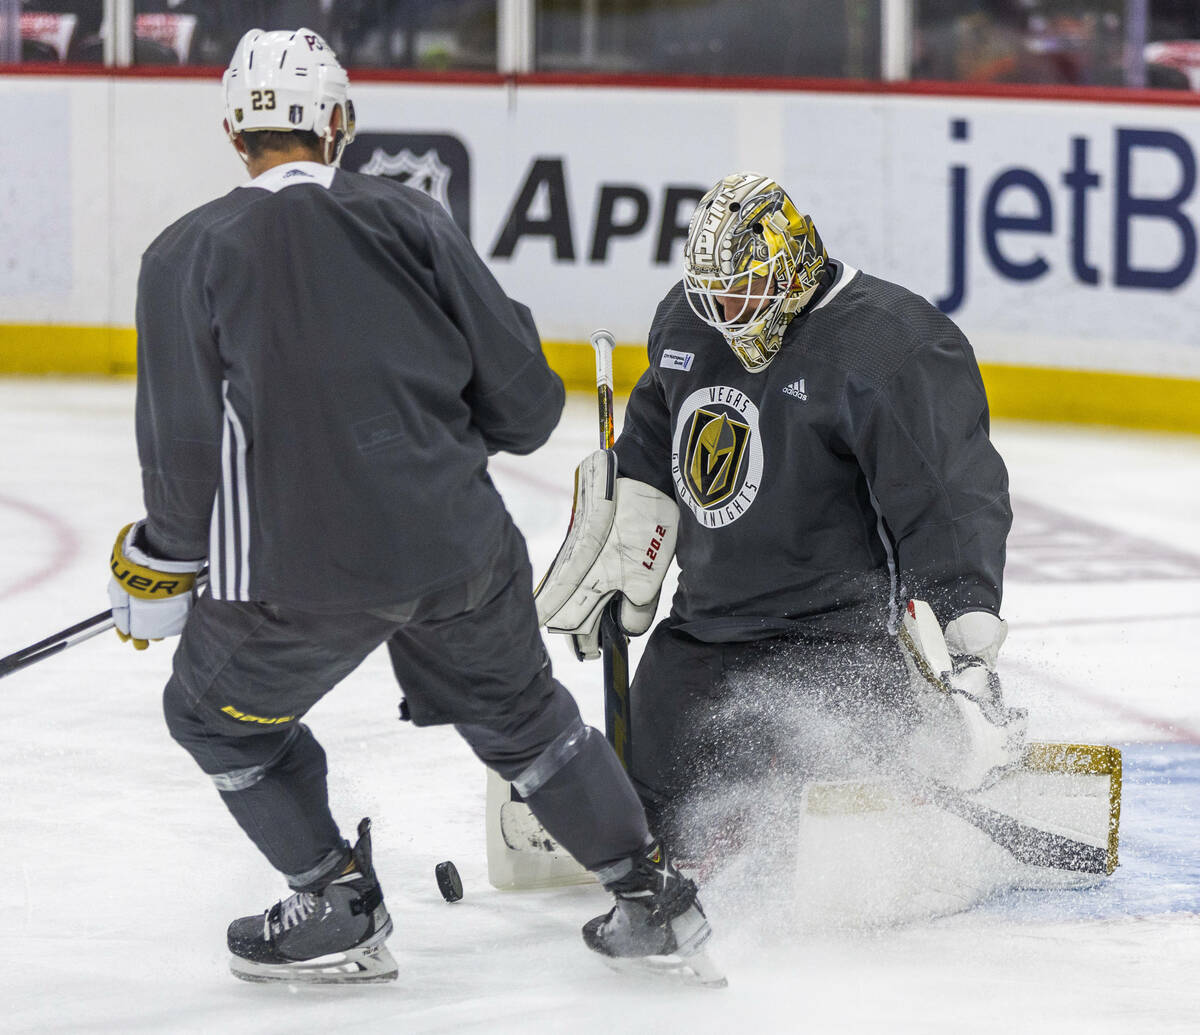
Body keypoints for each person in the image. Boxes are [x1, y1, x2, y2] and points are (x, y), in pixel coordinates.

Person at [107, 27, 718, 986]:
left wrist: (160, 560)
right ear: (340, 120)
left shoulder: (180, 254)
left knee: (212, 716)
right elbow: (526, 409)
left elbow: (184, 462)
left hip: (294, 577)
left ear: (234, 130)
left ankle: (335, 900)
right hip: (459, 547)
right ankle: (650, 896)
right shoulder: (413, 219)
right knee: (524, 719)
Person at [536, 171, 1026, 860]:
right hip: (706, 630)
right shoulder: (688, 322)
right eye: (712, 299)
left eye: (740, 292)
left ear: (791, 262)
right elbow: (653, 434)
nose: (726, 314)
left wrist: (965, 645)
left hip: (842, 644)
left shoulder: (887, 345)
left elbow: (948, 501)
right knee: (641, 827)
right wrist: (622, 544)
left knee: (798, 832)